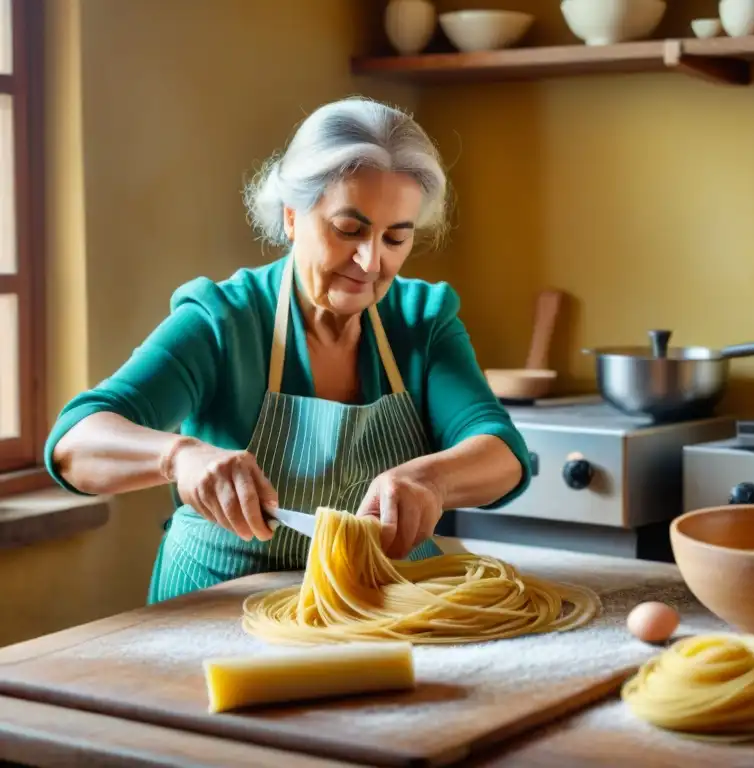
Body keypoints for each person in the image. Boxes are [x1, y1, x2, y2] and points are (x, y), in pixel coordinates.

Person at [45, 97, 531, 603]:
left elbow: (503, 454)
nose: (369, 261)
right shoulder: (222, 319)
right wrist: (178, 457)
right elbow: (73, 442)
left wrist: (432, 479)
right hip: (221, 607)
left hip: (380, 600)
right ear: (293, 216)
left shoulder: (421, 318)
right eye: (350, 230)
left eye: (395, 238)